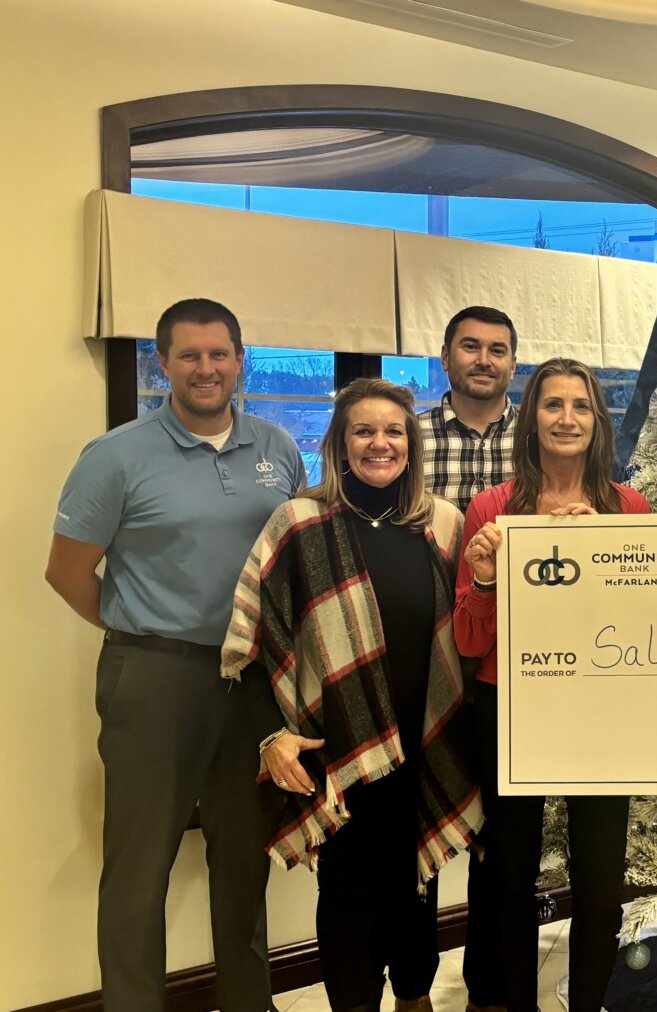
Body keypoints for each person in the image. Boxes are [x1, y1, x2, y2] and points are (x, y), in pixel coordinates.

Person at [45, 298, 304, 1011]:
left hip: (251, 682)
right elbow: (66, 573)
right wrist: (145, 629)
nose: (205, 369)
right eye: (188, 356)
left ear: (239, 358)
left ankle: (249, 1002)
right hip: (153, 677)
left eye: (219, 354)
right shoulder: (116, 456)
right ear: (162, 364)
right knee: (139, 863)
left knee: (242, 859)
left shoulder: (276, 448)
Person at [221, 378, 483, 1012]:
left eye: (394, 431)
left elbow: (471, 628)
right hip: (337, 748)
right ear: (339, 444)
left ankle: (415, 996)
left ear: (411, 445)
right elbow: (252, 643)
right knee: (346, 892)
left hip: (422, 737)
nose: (380, 443)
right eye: (363, 431)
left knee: (415, 880)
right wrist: (271, 734)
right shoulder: (300, 522)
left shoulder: (440, 525)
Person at [456, 358, 649, 1012]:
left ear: (598, 423)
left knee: (600, 882)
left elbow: (650, 628)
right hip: (512, 709)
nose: (566, 418)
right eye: (552, 405)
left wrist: (608, 561)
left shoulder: (630, 509)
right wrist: (485, 577)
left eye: (581, 406)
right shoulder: (491, 509)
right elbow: (469, 641)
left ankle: (588, 1002)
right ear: (530, 420)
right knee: (510, 877)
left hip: (600, 713)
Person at [418, 306, 520, 517]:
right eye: (471, 347)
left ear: (512, 366)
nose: (483, 361)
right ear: (445, 357)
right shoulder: (409, 436)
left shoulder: (536, 439)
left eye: (497, 351)